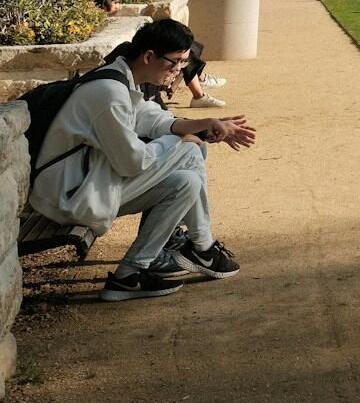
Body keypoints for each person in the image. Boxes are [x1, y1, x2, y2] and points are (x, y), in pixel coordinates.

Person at [33, 19, 255, 300]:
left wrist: (201, 124)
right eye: (175, 63)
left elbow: (148, 117)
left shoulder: (120, 77)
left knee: (185, 181)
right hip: (69, 197)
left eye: (184, 64)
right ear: (149, 56)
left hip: (88, 182)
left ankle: (129, 275)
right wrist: (181, 140)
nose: (177, 72)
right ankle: (202, 247)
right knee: (188, 151)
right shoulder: (109, 94)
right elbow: (131, 163)